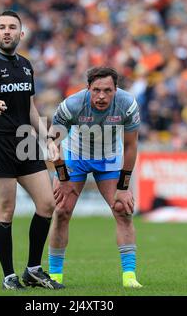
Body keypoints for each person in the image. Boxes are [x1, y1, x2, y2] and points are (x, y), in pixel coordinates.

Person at [0, 10, 63, 290]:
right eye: (2, 27)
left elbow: (30, 107)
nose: (7, 31)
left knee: (47, 204)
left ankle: (33, 269)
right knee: (6, 210)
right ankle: (9, 276)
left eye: (12, 27)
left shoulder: (26, 65)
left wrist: (46, 137)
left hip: (25, 140)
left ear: (21, 34)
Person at [46, 67, 143, 288]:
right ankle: (55, 276)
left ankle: (129, 277)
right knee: (61, 211)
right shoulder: (72, 104)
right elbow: (52, 141)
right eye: (96, 90)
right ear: (88, 88)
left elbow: (130, 145)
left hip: (108, 158)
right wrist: (62, 178)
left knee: (123, 210)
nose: (101, 96)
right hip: (74, 157)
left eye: (107, 90)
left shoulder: (127, 104)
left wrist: (124, 186)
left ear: (116, 90)